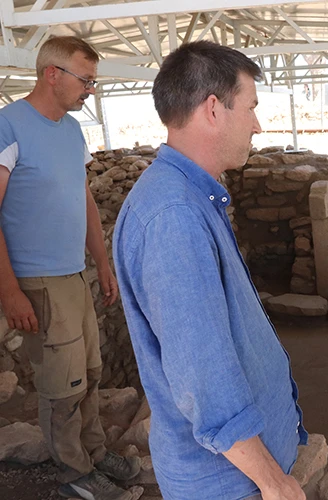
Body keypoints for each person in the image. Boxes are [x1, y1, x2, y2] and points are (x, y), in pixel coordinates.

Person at [113, 41, 307, 500]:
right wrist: (272, 481)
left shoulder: (190, 195)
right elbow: (203, 376)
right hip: (230, 484)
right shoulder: (173, 216)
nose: (257, 125)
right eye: (252, 108)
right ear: (214, 109)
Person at [0, 36, 141, 500]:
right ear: (52, 74)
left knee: (91, 373)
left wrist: (101, 263)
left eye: (93, 82)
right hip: (38, 280)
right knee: (63, 386)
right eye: (86, 80)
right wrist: (10, 293)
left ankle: (96, 456)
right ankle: (74, 475)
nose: (91, 91)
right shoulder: (9, 126)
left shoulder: (71, 131)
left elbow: (82, 199)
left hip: (75, 273)